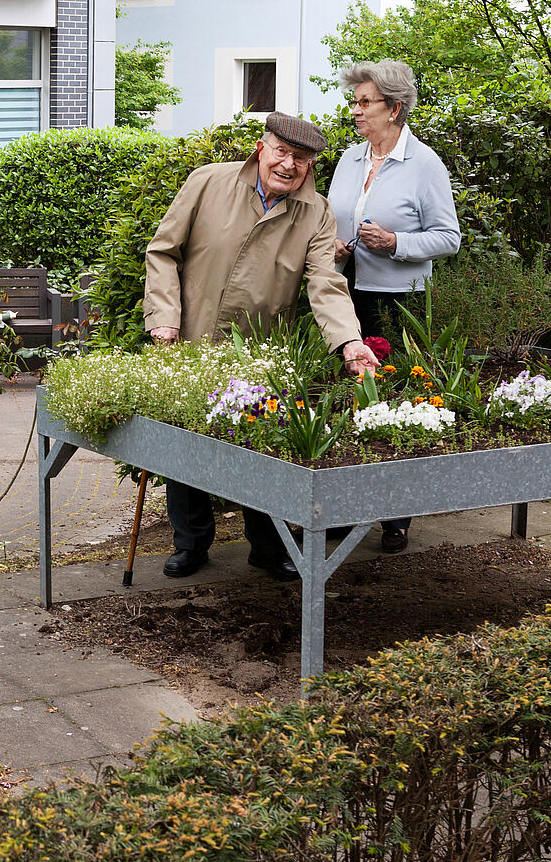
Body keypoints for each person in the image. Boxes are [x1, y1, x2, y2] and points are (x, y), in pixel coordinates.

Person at [144, 112, 378, 582]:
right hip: (191, 338)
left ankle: (267, 548)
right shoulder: (208, 182)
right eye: (282, 152)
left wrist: (350, 342)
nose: (290, 165)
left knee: (263, 448)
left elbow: (326, 285)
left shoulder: (315, 212)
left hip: (260, 350)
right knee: (185, 447)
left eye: (302, 159)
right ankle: (191, 544)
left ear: (311, 165)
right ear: (261, 147)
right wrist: (165, 320)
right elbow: (163, 252)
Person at [329, 60, 461, 553]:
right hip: (346, 297)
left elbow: (448, 238)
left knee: (395, 403)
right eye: (356, 101)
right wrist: (337, 248)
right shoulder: (349, 159)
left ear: (395, 109)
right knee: (345, 399)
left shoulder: (424, 164)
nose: (356, 111)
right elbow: (329, 219)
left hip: (399, 304)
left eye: (365, 103)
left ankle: (395, 517)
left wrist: (396, 242)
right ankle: (342, 507)